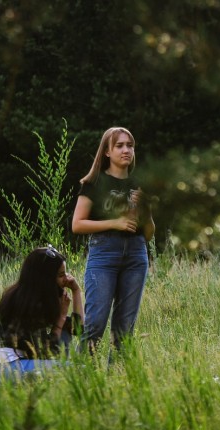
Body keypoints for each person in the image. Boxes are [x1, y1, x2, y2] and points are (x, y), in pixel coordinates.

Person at [71, 126, 155, 357]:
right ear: (107, 151)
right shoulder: (94, 183)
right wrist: (114, 223)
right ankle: (81, 372)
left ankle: (117, 376)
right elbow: (77, 224)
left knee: (124, 330)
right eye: (119, 146)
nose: (126, 150)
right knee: (95, 324)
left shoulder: (140, 184)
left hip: (136, 256)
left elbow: (148, 234)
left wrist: (147, 209)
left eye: (130, 145)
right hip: (104, 255)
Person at [0, 245, 84, 381]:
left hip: (16, 363)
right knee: (79, 371)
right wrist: (61, 317)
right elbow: (47, 353)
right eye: (61, 275)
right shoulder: (28, 304)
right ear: (46, 278)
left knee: (65, 331)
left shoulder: (36, 296)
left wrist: (76, 291)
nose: (67, 279)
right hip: (4, 368)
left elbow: (77, 329)